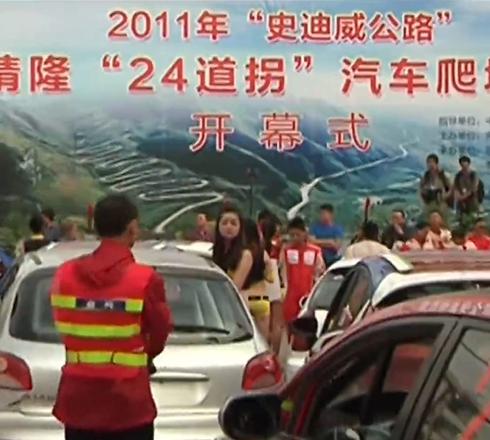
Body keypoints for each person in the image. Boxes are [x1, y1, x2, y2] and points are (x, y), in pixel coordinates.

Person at [50, 194, 173, 440]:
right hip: (129, 405)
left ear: (95, 227)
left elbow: (65, 322)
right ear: (132, 228)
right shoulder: (145, 279)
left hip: (78, 403)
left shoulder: (64, 274)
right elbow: (159, 333)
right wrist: (143, 356)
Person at [212, 207, 274, 338]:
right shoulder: (219, 253)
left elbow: (235, 287)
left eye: (233, 223)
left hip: (250, 301)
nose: (229, 227)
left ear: (241, 228)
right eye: (225, 223)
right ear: (218, 226)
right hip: (245, 300)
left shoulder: (245, 254)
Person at [280, 217, 325, 324]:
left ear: (305, 233)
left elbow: (320, 271)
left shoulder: (315, 251)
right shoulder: (286, 251)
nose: (295, 238)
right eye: (292, 235)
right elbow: (282, 271)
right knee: (289, 322)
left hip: (308, 293)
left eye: (298, 234)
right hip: (290, 295)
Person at [420, 154, 451, 219]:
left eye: (432, 162)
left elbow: (451, 189)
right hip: (429, 203)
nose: (430, 164)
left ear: (436, 163)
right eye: (428, 162)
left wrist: (445, 196)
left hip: (440, 203)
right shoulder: (426, 176)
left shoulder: (443, 175)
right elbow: (421, 189)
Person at [453, 156, 481, 224]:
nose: (464, 166)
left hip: (472, 201)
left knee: (473, 220)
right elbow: (456, 188)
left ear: (468, 164)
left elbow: (474, 188)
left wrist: (463, 196)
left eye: (465, 164)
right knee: (461, 221)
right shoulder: (458, 175)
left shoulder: (474, 174)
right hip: (461, 203)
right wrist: (458, 196)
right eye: (462, 165)